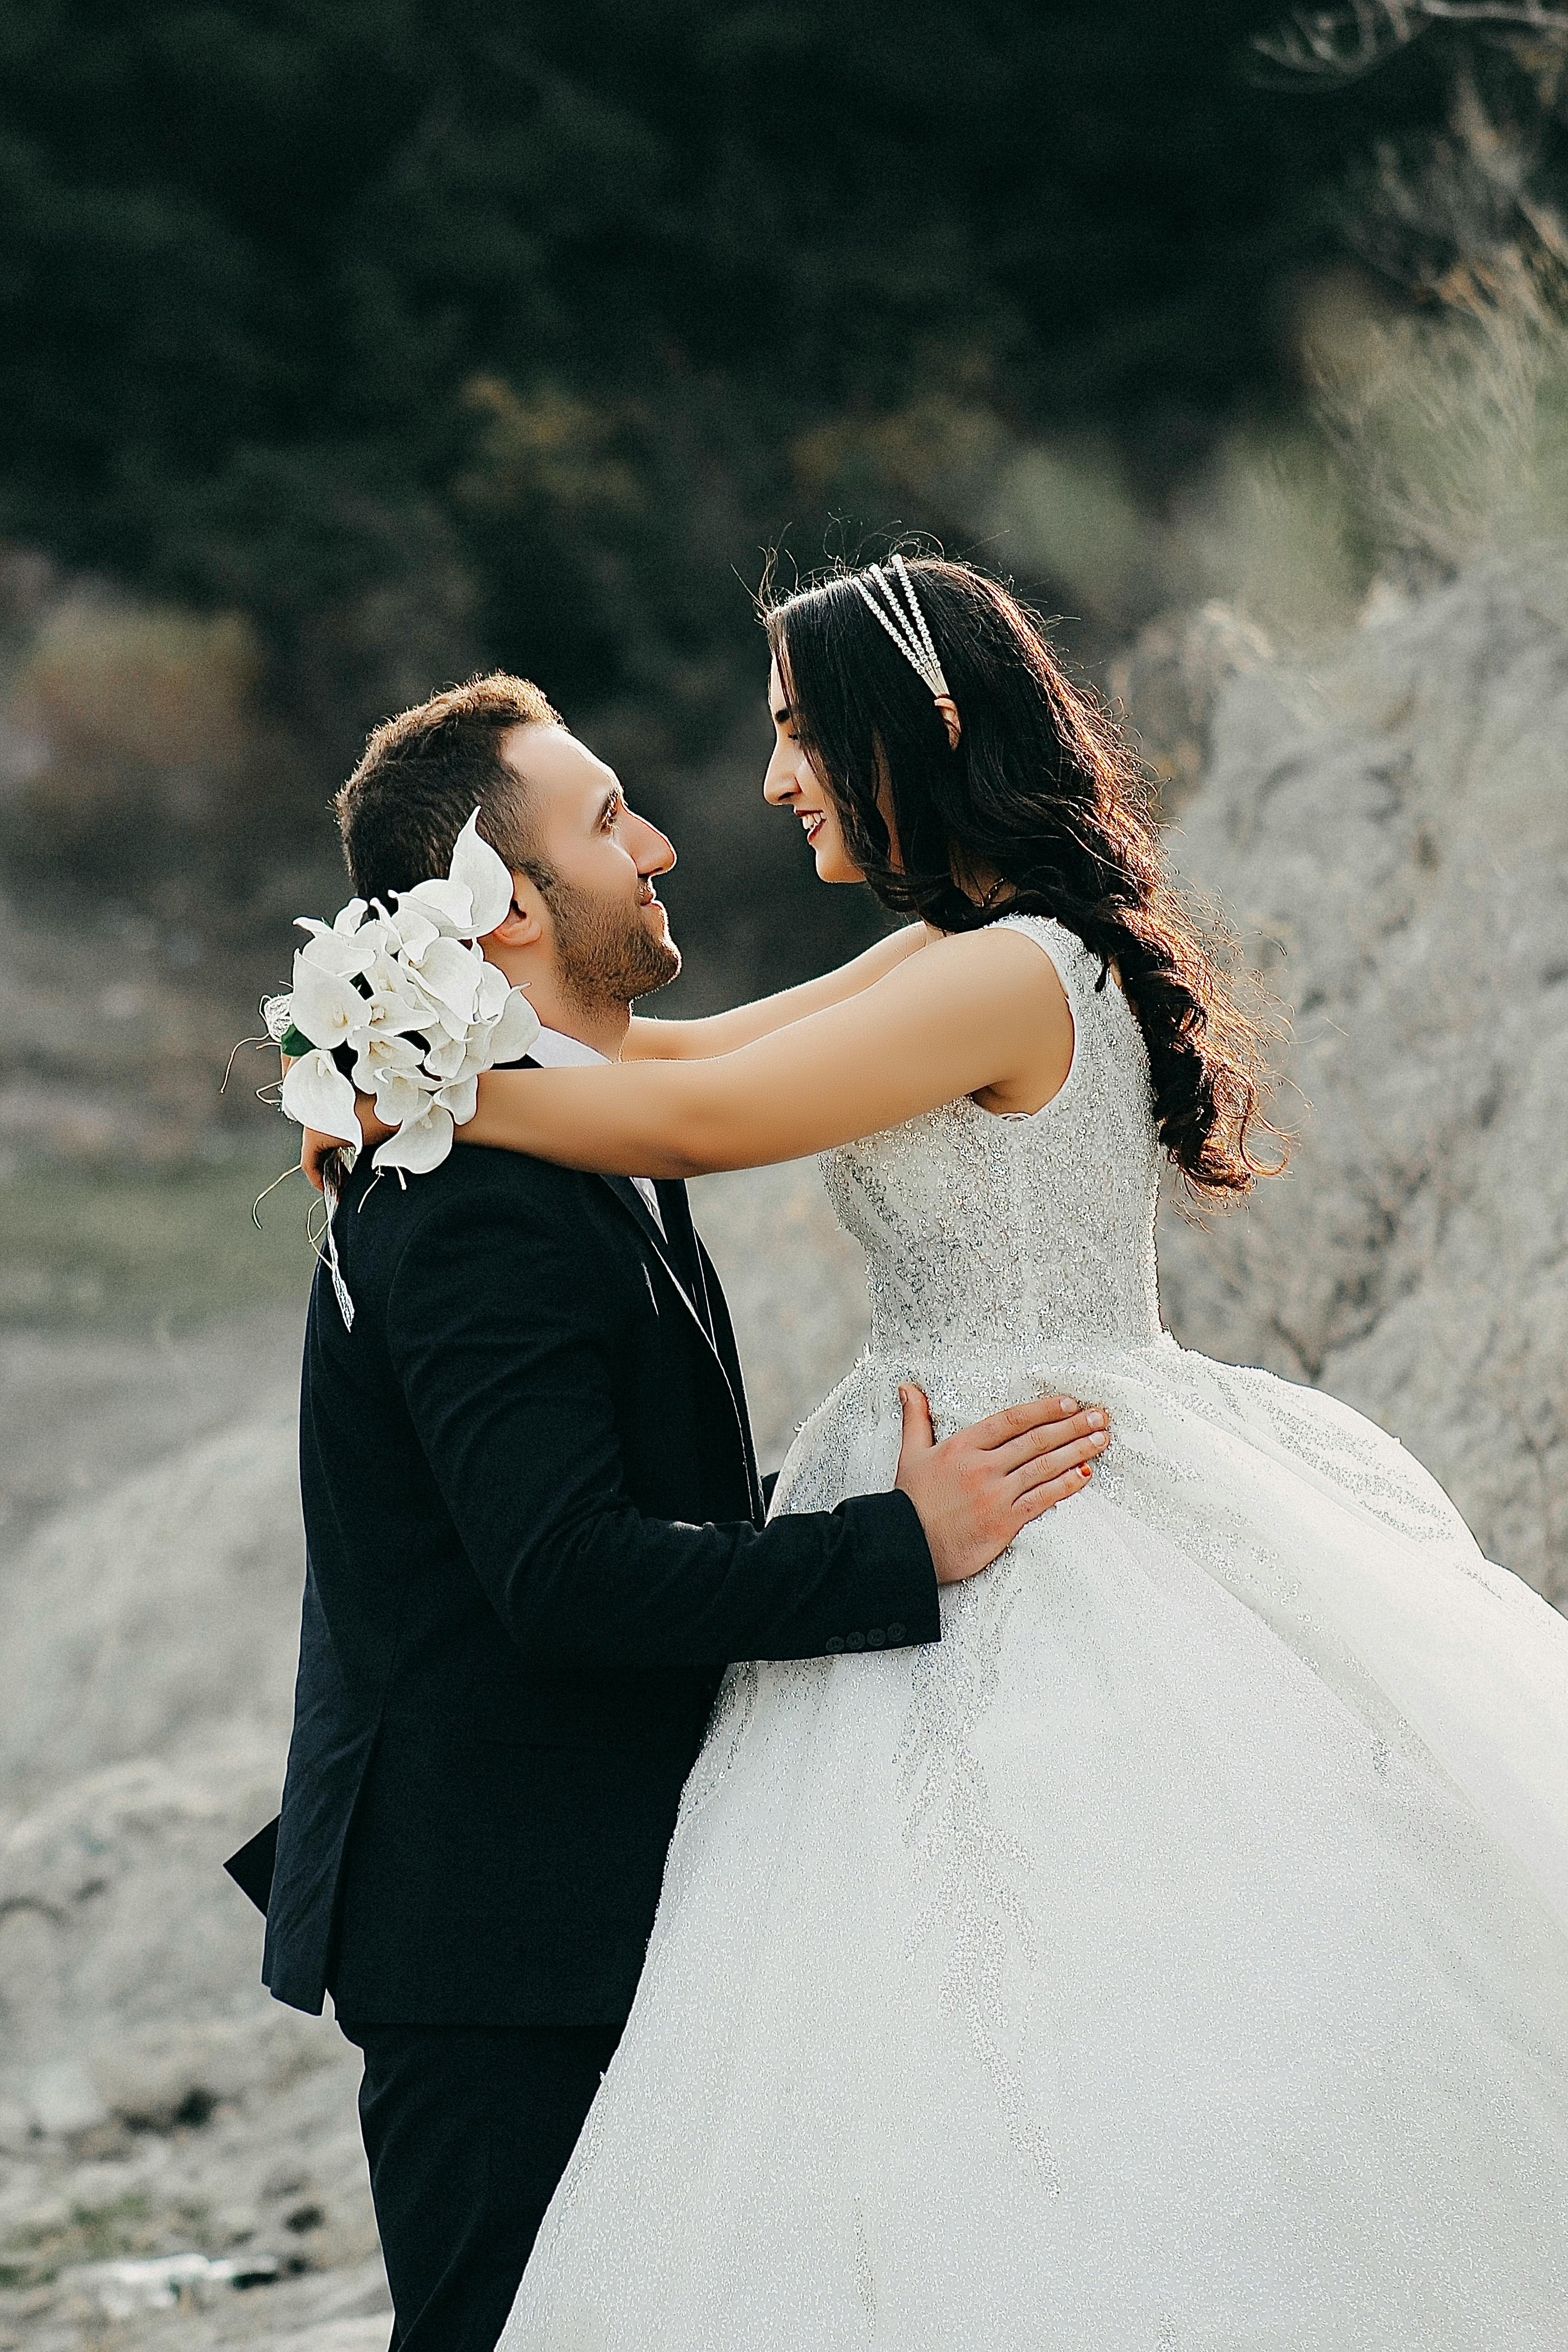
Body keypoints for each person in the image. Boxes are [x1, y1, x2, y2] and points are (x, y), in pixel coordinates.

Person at [315, 557, 1568, 2346]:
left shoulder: (1011, 977)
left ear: (918, 735)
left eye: (798, 736)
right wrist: (402, 1036)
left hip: (1037, 1495)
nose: (766, 785)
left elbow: (692, 1111)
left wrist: (402, 1083)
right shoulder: (949, 953)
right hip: (935, 1476)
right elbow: (678, 1043)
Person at [250, 670, 1107, 2352]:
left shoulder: (587, 1123)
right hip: (503, 1938)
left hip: (597, 1888)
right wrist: (896, 1548)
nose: (658, 843)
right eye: (604, 819)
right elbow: (564, 1575)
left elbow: (764, 1049)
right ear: (497, 921)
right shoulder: (477, 1194)